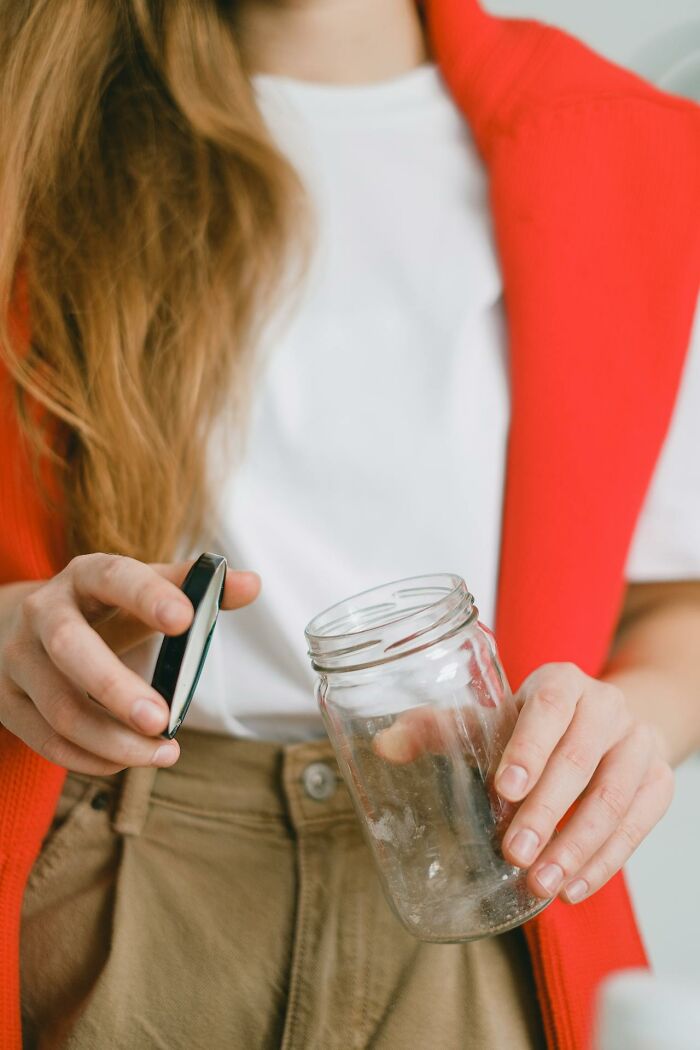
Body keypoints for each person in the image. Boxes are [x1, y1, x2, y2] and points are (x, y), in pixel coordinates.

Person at [0, 1, 698, 1048]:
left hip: (482, 880)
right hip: (119, 878)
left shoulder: (631, 143)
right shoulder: (30, 110)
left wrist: (629, 722)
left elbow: (673, 599)